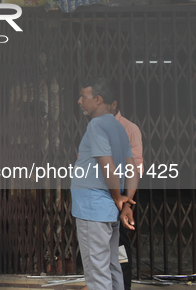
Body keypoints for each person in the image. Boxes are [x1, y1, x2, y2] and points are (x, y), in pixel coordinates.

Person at [72, 77, 138, 290]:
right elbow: (132, 167)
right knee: (112, 268)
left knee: (97, 272)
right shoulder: (118, 127)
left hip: (93, 210)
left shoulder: (96, 125)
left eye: (84, 96)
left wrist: (119, 197)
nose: (80, 101)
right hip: (108, 210)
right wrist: (125, 201)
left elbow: (106, 164)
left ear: (98, 99)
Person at [110, 99, 143, 290]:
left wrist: (127, 203)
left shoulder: (129, 129)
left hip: (121, 196)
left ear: (112, 104)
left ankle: (123, 285)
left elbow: (135, 168)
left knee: (120, 243)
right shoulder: (95, 127)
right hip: (102, 196)